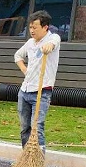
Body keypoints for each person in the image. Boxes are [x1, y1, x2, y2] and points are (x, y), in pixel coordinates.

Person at [14, 10, 62, 153]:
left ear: (45, 27)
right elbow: (18, 56)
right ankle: (26, 156)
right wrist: (25, 70)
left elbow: (54, 42)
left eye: (35, 27)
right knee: (24, 127)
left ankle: (38, 159)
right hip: (25, 90)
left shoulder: (53, 38)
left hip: (42, 91)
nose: (32, 30)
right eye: (30, 27)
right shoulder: (30, 43)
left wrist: (49, 46)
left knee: (37, 127)